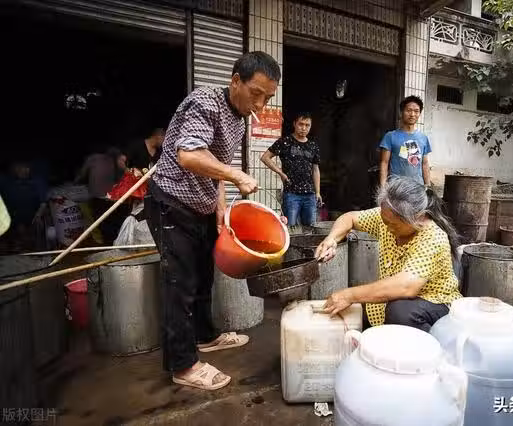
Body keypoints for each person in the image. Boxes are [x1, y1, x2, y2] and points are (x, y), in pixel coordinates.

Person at [145, 51, 284, 392]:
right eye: (256, 94)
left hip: (202, 207)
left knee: (204, 275)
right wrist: (237, 175)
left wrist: (220, 207)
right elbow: (189, 154)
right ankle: (183, 364)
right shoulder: (204, 102)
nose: (260, 105)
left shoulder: (239, 118)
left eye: (268, 98)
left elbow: (216, 166)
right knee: (180, 283)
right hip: (171, 202)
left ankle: (204, 336)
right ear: (236, 81)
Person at [314, 176, 461, 332]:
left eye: (395, 225)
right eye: (385, 221)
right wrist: (332, 239)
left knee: (400, 312)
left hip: (435, 303)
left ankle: (431, 343)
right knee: (362, 310)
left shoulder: (433, 238)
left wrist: (348, 295)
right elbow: (349, 218)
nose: (388, 228)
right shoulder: (389, 215)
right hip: (399, 300)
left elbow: (406, 286)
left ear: (417, 217)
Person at [260, 112, 321, 227]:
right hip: (291, 194)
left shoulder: (313, 146)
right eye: (301, 124)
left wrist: (317, 192)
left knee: (310, 228)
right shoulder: (285, 142)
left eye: (307, 125)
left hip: (310, 195)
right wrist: (280, 172)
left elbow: (315, 169)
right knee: (289, 227)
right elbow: (265, 157)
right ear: (294, 124)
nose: (304, 128)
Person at [379, 96, 432, 187]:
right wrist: (383, 187)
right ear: (401, 112)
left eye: (416, 111)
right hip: (396, 188)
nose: (412, 114)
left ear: (419, 113)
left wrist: (428, 186)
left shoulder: (423, 138)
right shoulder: (390, 136)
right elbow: (384, 163)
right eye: (409, 110)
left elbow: (425, 163)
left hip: (417, 188)